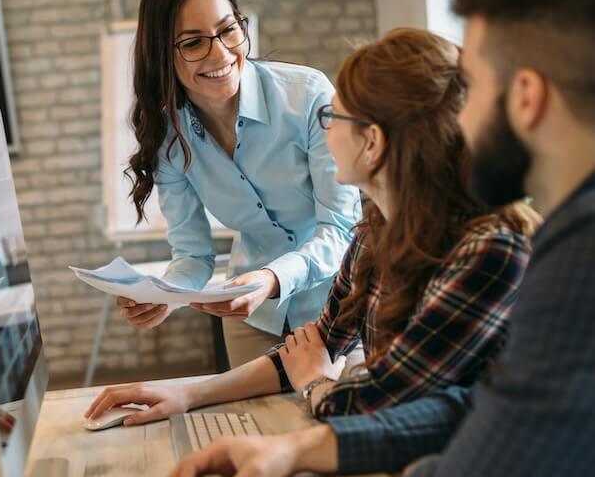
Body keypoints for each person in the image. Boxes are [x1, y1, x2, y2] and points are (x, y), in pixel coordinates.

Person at [158, 0, 595, 477]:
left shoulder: (536, 253)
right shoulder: (377, 232)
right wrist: (299, 443)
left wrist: (324, 396)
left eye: (476, 89)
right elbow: (468, 408)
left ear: (525, 97)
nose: (459, 120)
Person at [86, 27, 538, 427]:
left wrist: (315, 384)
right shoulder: (373, 234)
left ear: (373, 142)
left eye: (332, 117)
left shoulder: (488, 252)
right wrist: (185, 393)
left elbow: (379, 401)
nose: (322, 131)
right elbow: (318, 344)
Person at [117, 0, 361, 367]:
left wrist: (272, 279)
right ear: (162, 52)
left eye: (229, 30)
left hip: (342, 304)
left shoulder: (308, 97)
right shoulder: (169, 138)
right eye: (194, 42)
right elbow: (194, 256)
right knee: (251, 425)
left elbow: (340, 228)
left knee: (338, 420)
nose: (221, 54)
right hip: (255, 317)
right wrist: (164, 296)